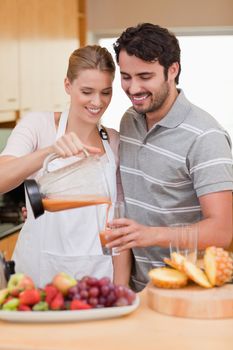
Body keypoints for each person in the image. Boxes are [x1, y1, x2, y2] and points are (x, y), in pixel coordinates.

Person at [104, 23, 233, 292]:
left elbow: (222, 231)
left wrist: (150, 235)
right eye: (126, 77)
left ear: (172, 70)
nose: (133, 88)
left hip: (189, 290)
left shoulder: (205, 136)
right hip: (140, 288)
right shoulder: (130, 120)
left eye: (145, 76)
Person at [0, 45, 130, 288]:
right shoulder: (38, 126)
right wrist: (50, 151)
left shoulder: (113, 141)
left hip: (97, 280)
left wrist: (121, 293)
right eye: (87, 91)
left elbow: (118, 226)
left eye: (105, 92)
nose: (97, 101)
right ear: (68, 85)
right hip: (38, 277)